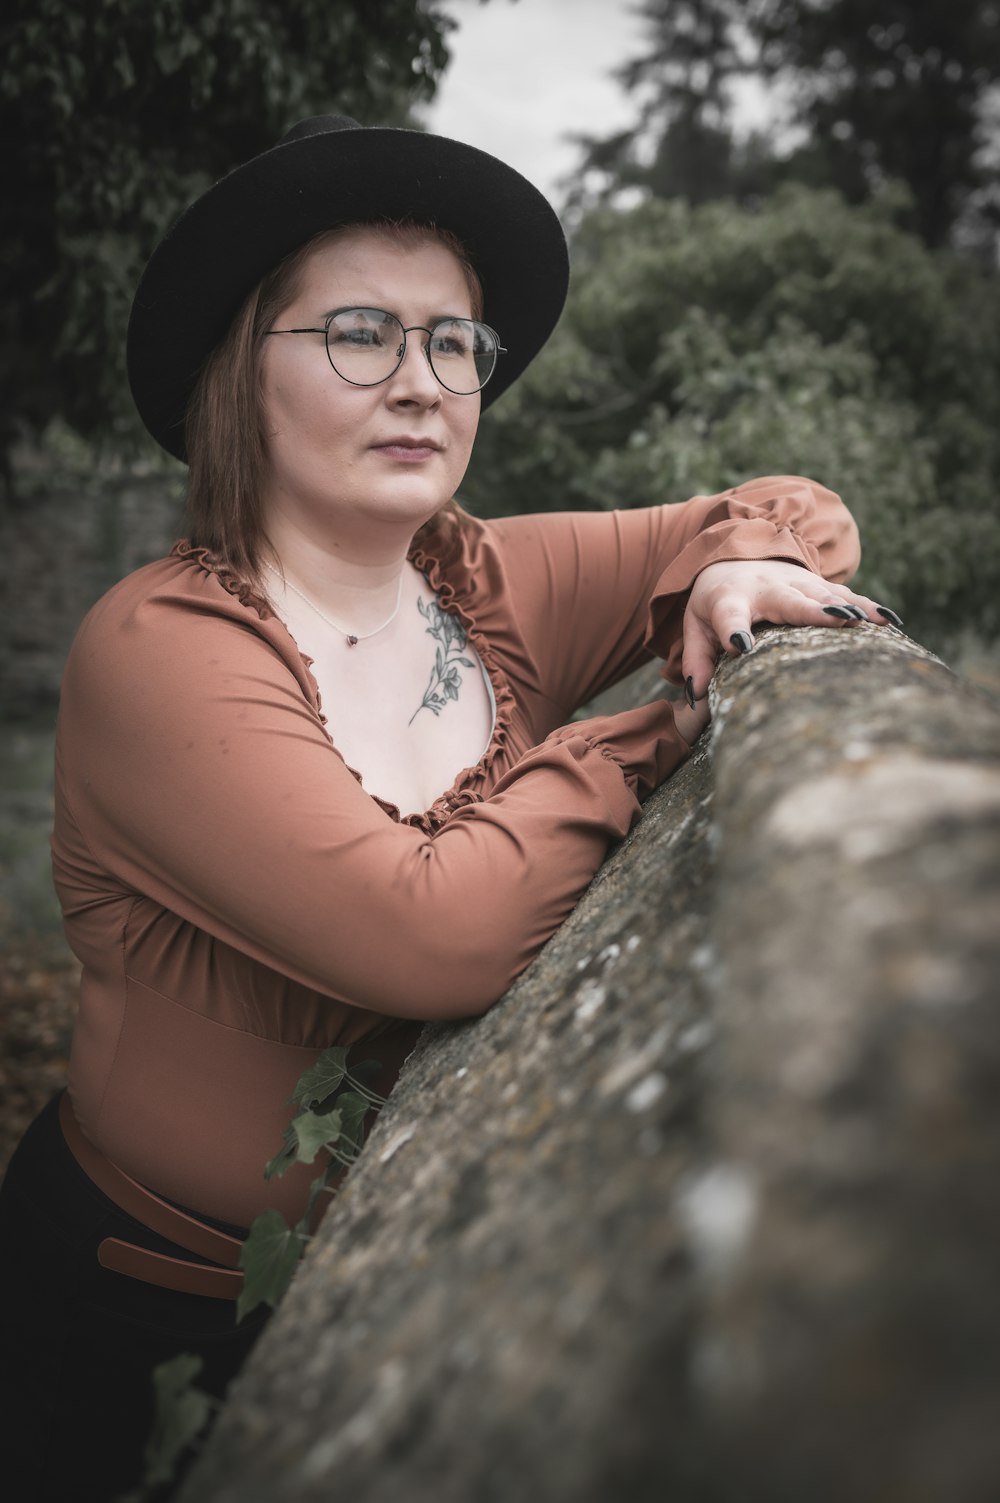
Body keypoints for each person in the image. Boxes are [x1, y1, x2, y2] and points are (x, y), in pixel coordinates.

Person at [0, 114, 892, 1501]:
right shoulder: (156, 649)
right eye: (360, 333)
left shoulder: (487, 585)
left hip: (409, 1297)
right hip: (138, 1331)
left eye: (452, 343)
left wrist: (720, 579)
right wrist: (662, 727)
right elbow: (426, 932)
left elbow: (798, 511)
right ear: (243, 366)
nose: (421, 382)